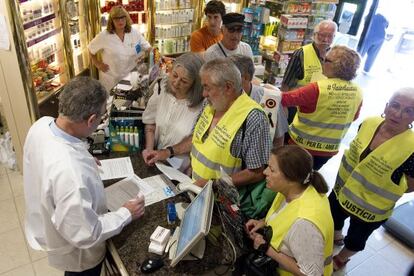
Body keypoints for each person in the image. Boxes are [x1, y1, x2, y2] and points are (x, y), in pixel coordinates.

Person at [23, 77, 145, 275]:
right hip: (78, 253)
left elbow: (49, 157)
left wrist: (82, 156)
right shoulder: (71, 172)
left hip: (48, 222)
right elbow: (86, 233)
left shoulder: (41, 125)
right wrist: (126, 213)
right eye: (100, 118)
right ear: (91, 120)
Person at [329, 87, 414, 271]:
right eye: (395, 105)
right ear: (386, 106)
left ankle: (342, 257)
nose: (398, 114)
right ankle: (336, 235)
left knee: (356, 238)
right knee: (334, 216)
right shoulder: (369, 123)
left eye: (409, 111)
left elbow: (410, 186)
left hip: (370, 209)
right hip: (342, 190)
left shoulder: (411, 148)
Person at [245, 145, 334, 276]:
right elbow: (285, 215)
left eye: (272, 170)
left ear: (291, 178)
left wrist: (267, 249)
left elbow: (312, 274)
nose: (265, 172)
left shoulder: (305, 224)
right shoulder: (294, 189)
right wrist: (264, 222)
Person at [282, 45, 363, 170]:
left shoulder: (317, 88)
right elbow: (354, 117)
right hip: (328, 150)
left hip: (301, 146)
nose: (323, 63)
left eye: (326, 60)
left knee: (289, 174)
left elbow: (285, 99)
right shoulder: (358, 91)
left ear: (338, 65)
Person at [142, 53, 204, 172]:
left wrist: (167, 152)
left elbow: (197, 139)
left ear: (195, 85)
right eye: (174, 75)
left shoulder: (202, 105)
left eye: (184, 81)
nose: (176, 83)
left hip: (181, 170)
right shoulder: (161, 89)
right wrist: (149, 149)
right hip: (157, 161)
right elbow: (150, 122)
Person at [281, 20, 337, 123]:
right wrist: (283, 107)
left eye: (330, 36)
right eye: (322, 35)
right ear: (315, 35)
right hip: (297, 108)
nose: (325, 39)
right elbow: (286, 83)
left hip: (320, 110)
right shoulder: (301, 53)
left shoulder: (335, 55)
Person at [228, 54, 288, 147]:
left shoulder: (270, 99)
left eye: (229, 78)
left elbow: (278, 139)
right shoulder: (221, 96)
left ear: (246, 77)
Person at [88, 6, 151, 91]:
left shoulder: (134, 33)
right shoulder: (104, 36)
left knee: (129, 101)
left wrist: (150, 55)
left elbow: (147, 47)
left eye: (122, 18)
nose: (120, 21)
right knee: (112, 102)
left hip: (131, 78)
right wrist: (98, 64)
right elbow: (91, 50)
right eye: (116, 19)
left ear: (126, 18)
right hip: (111, 80)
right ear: (111, 21)